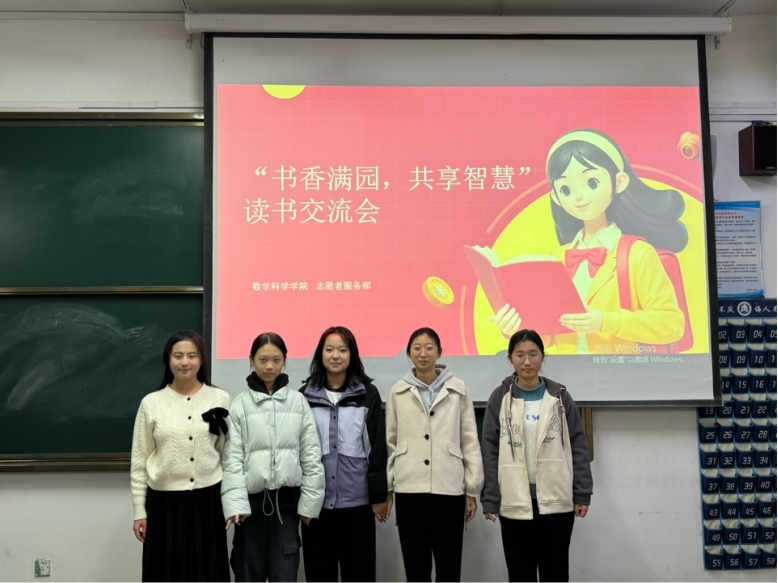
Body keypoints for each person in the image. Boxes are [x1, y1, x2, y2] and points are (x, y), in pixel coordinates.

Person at [490, 128, 685, 354]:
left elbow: (672, 324)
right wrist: (516, 330)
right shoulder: (558, 259)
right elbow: (548, 335)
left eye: (592, 182)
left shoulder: (637, 254)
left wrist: (605, 321)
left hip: (617, 369)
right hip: (567, 370)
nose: (578, 196)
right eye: (565, 189)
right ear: (556, 196)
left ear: (619, 182)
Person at [481, 329, 593, 582]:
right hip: (515, 502)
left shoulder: (560, 398)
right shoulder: (499, 398)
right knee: (520, 575)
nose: (527, 361)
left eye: (533, 354)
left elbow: (578, 446)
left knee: (555, 574)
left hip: (556, 502)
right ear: (510, 358)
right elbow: (489, 450)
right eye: (520, 355)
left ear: (542, 357)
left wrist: (582, 493)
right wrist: (490, 498)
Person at [220, 332, 325, 582]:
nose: (269, 366)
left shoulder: (298, 402)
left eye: (276, 360)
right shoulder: (240, 405)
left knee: (284, 573)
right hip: (249, 510)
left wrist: (310, 505)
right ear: (251, 360)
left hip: (286, 507)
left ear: (284, 361)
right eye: (263, 360)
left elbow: (311, 456)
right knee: (248, 573)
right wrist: (236, 506)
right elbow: (232, 460)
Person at [130, 330, 231, 582]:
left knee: (207, 571)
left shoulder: (220, 398)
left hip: (208, 501)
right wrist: (139, 510)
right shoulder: (151, 403)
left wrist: (231, 503)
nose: (185, 362)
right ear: (168, 359)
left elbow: (229, 456)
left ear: (202, 359)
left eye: (192, 355)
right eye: (178, 356)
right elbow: (139, 463)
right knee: (165, 571)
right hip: (163, 505)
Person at [386, 327, 484, 582]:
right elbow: (391, 441)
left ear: (439, 352)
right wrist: (389, 486)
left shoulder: (458, 388)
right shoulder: (398, 390)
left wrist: (472, 489)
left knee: (449, 566)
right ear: (409, 353)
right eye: (417, 348)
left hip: (449, 486)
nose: (423, 353)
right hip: (409, 487)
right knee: (415, 567)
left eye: (429, 348)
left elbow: (469, 439)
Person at [300, 326, 390, 582]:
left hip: (358, 505)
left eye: (342, 350)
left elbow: (378, 448)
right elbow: (299, 452)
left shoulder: (368, 394)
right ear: (320, 354)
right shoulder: (305, 396)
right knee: (319, 575)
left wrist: (378, 496)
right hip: (317, 505)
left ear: (352, 354)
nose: (335, 355)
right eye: (329, 350)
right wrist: (303, 501)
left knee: (359, 574)